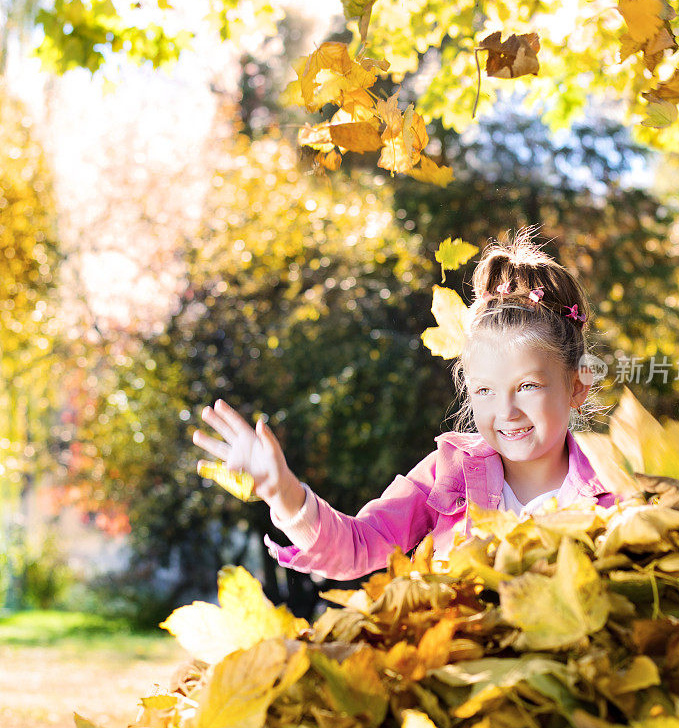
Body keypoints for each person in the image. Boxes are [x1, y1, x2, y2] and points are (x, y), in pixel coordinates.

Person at [192, 236, 617, 581]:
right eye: (485, 390)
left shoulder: (618, 486)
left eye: (527, 386)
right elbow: (360, 545)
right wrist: (284, 495)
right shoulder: (447, 474)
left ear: (577, 385)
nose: (507, 411)